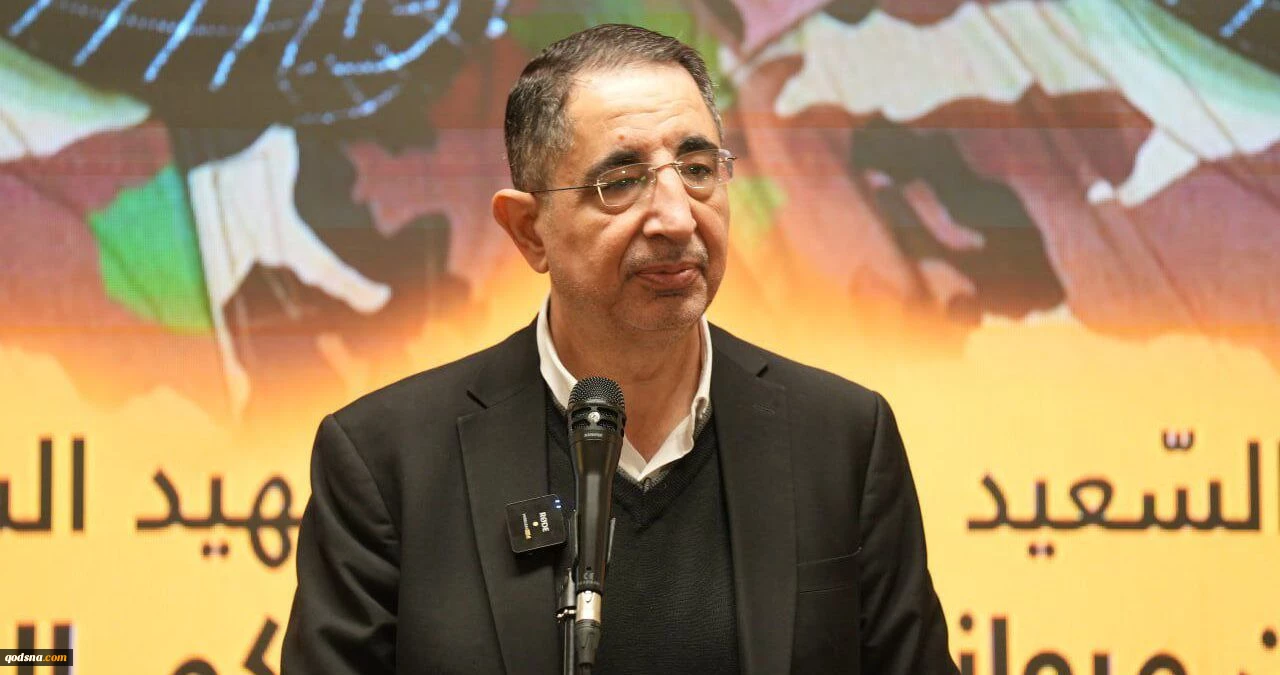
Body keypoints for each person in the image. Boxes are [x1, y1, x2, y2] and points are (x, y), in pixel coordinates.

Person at [281, 23, 957, 674]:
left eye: (698, 168)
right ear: (529, 230)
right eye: (622, 181)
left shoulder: (840, 439)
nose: (677, 218)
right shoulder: (389, 463)